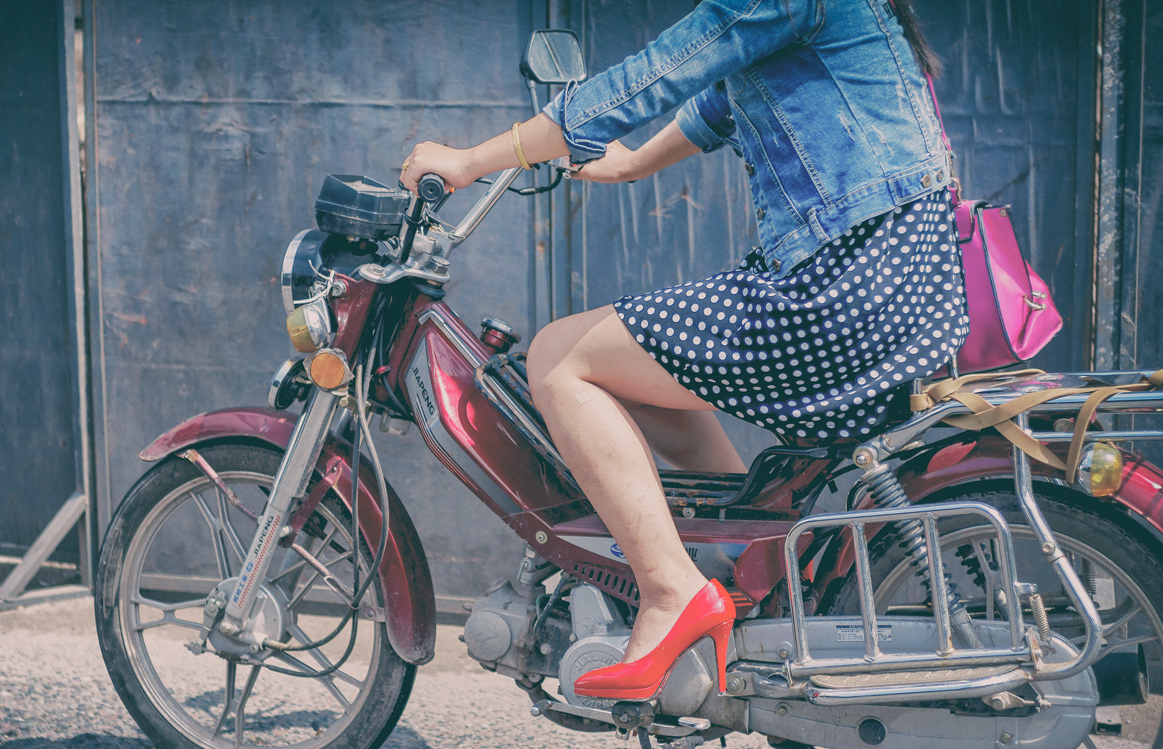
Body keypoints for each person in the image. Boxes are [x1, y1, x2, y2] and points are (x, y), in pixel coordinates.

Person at [398, 0, 966, 700]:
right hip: (887, 286)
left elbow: (654, 76)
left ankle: (672, 590)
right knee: (645, 365)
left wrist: (468, 161)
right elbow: (726, 96)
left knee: (558, 356)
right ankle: (740, 567)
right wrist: (631, 164)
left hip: (841, 289)